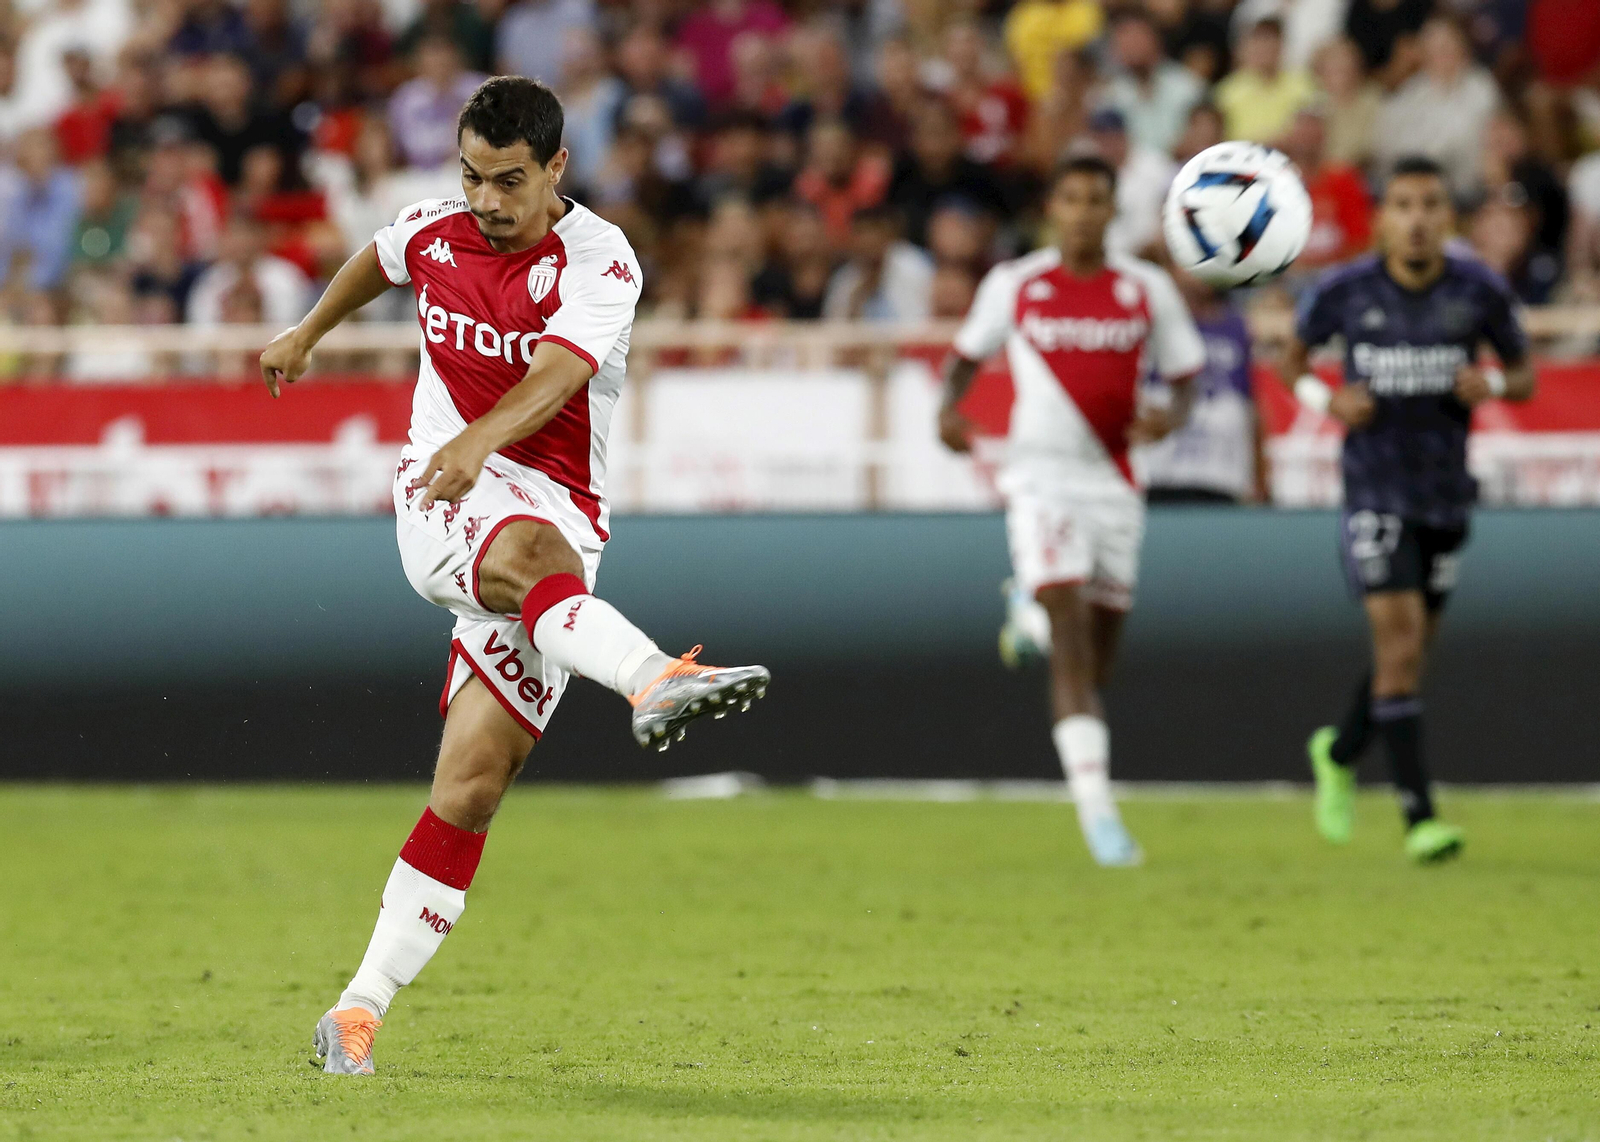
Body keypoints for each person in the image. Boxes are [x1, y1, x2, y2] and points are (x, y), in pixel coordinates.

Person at [258, 76, 770, 1076]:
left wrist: (483, 437)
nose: (486, 200)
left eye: (508, 181)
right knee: (535, 557)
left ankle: (356, 1010)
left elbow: (559, 373)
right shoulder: (435, 228)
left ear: (556, 168)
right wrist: (309, 331)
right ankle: (655, 677)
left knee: (472, 786)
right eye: (472, 177)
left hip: (553, 528)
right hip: (440, 496)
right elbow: (379, 257)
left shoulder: (601, 260)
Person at [936, 155, 1204, 867]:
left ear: (1113, 210)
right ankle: (1099, 815)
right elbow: (964, 358)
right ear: (1052, 209)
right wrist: (947, 411)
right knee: (1071, 634)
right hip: (1042, 478)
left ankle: (1025, 612)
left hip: (1115, 483)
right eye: (1072, 199)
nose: (1083, 211)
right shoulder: (1015, 283)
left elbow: (1187, 378)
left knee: (1097, 661)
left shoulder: (1145, 289)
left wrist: (1170, 417)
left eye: (1096, 199)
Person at [1283, 155, 1534, 863]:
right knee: (1398, 649)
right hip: (1373, 489)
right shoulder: (1345, 290)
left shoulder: (1478, 290)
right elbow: (1290, 361)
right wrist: (1328, 399)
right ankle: (1420, 817)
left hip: (1444, 495)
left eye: (1429, 205)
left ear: (1447, 217)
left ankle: (1339, 750)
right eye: (1402, 206)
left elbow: (1524, 375)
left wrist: (1492, 383)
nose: (1417, 220)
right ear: (1381, 219)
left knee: (1408, 654)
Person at [1140, 273, 1266, 504]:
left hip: (1219, 474)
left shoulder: (1237, 327)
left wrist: (1260, 477)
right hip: (1159, 471)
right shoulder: (1150, 322)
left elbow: (1252, 406)